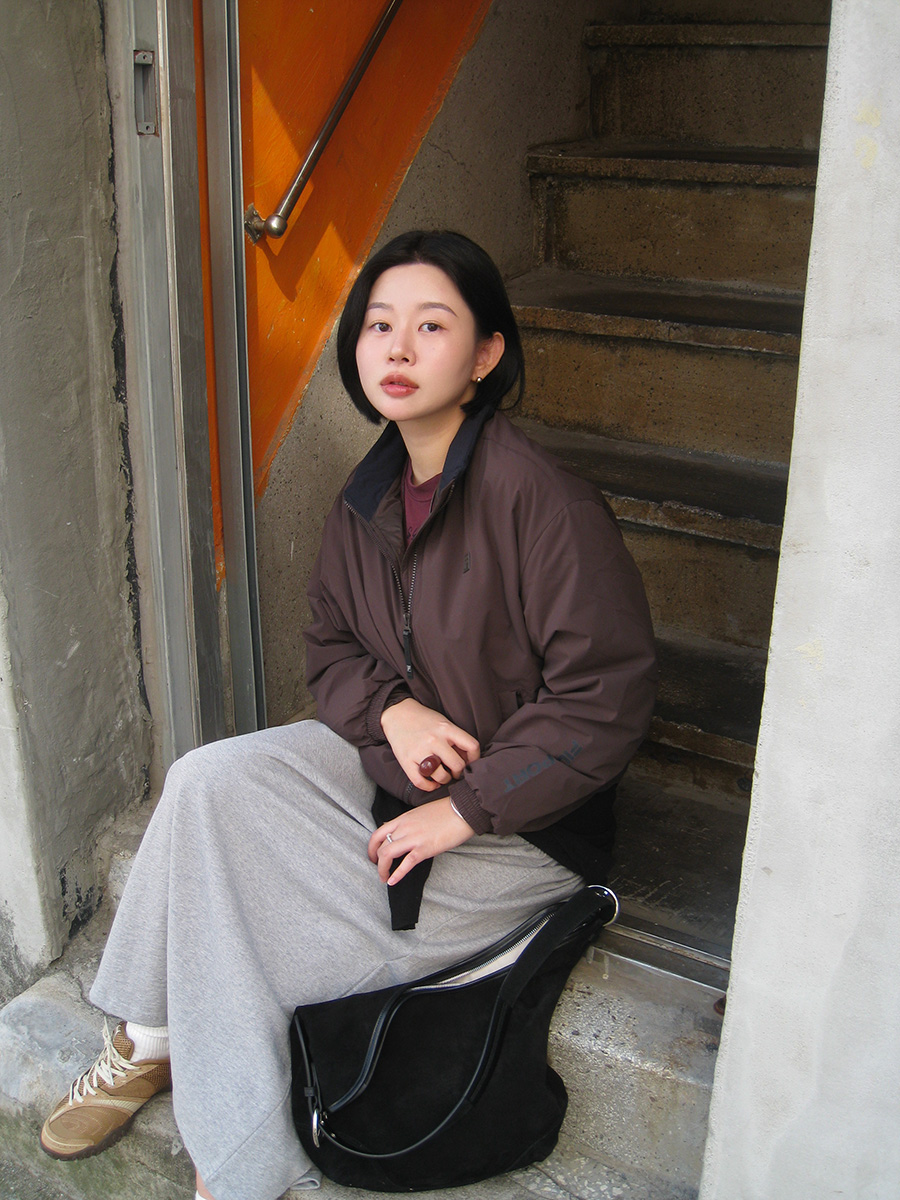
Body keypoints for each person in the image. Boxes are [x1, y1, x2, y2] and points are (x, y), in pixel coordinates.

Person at [39, 230, 657, 1200]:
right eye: (378, 325)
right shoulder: (368, 497)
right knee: (204, 783)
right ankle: (153, 1036)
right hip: (400, 764)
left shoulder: (544, 504)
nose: (397, 348)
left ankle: (236, 1154)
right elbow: (329, 645)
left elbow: (606, 698)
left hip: (525, 825)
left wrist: (468, 808)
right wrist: (396, 711)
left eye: (432, 326)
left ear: (486, 354)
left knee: (263, 917)